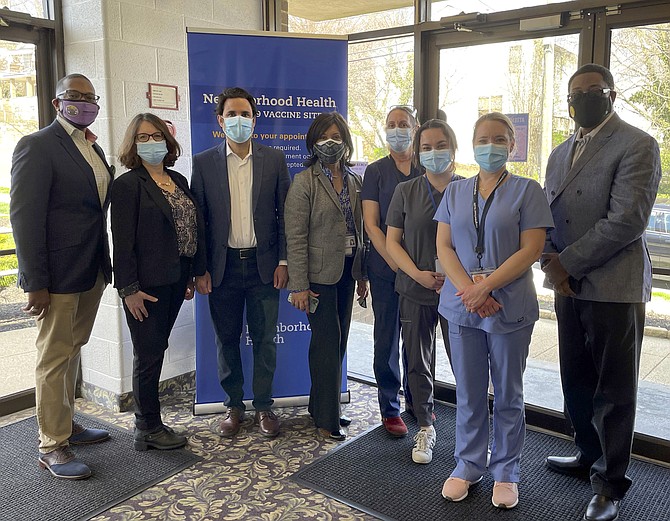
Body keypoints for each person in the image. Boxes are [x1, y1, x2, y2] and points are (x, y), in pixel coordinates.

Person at [542, 64, 661, 521]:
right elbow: (549, 215)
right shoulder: (558, 153)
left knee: (614, 391)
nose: (584, 98)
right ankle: (587, 456)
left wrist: (565, 264)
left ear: (611, 94)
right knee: (575, 380)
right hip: (568, 288)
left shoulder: (638, 144)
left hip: (613, 286)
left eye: (594, 91)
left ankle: (610, 485)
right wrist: (552, 264)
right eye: (576, 93)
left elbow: (627, 222)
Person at [435, 112, 553, 508]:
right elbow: (444, 247)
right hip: (462, 306)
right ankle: (467, 464)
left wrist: (485, 286)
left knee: (507, 393)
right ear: (472, 144)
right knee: (468, 392)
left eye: (499, 139)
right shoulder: (455, 192)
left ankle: (506, 470)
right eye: (483, 139)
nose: (491, 145)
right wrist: (470, 290)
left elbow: (532, 249)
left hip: (508, 305)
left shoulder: (527, 190)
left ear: (512, 145)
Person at [10, 73, 114, 480]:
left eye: (90, 97)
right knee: (53, 357)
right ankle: (52, 445)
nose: (84, 103)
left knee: (72, 349)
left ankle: (68, 425)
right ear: (57, 102)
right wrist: (35, 281)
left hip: (91, 268)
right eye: (74, 96)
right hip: (56, 275)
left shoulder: (92, 147)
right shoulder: (37, 146)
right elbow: (25, 217)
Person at [191, 87, 291, 439]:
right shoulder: (203, 163)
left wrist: (283, 260)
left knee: (265, 340)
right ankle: (234, 405)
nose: (238, 120)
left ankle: (264, 406)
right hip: (223, 269)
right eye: (231, 115)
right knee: (226, 339)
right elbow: (199, 220)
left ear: (254, 119)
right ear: (220, 121)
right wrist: (200, 268)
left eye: (244, 114)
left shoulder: (274, 160)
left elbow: (284, 217)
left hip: (265, 267)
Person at [111, 114, 205, 451]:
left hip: (176, 279)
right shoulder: (127, 185)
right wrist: (129, 290)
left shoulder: (177, 179)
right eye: (143, 137)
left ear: (168, 140)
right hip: (144, 287)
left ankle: (149, 424)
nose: (151, 142)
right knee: (148, 353)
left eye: (157, 136)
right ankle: (146, 426)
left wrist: (191, 274)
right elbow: (121, 244)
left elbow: (193, 229)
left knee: (157, 346)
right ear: (133, 144)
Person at [285, 112, 368, 441]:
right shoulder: (304, 182)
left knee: (340, 342)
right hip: (318, 278)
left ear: (346, 142)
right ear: (313, 142)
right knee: (325, 344)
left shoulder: (354, 181)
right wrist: (300, 286)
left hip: (348, 272)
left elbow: (360, 230)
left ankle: (321, 406)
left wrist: (362, 275)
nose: (330, 143)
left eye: (337, 136)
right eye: (324, 137)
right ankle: (326, 419)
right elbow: (296, 238)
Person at [385, 119, 460, 463]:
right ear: (418, 152)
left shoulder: (468, 190)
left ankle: (473, 436)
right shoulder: (406, 191)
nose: (433, 153)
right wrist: (417, 274)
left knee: (466, 363)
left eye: (440, 145)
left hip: (459, 293)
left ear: (454, 149)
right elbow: (392, 242)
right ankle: (425, 428)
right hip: (415, 289)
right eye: (426, 147)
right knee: (417, 361)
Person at [361, 105, 421, 438]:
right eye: (391, 125)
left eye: (403, 124)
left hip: (423, 272)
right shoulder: (376, 172)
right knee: (386, 338)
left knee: (417, 339)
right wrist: (397, 263)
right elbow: (372, 224)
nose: (397, 130)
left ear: (416, 128)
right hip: (386, 269)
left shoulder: (426, 167)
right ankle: (390, 407)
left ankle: (417, 399)